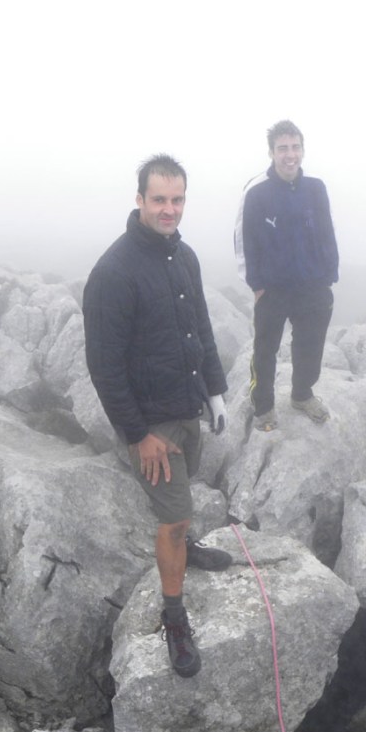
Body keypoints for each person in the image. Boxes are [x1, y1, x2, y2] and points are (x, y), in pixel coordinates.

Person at [83, 154, 230, 678]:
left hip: (186, 404)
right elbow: (104, 367)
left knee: (184, 501)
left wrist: (216, 391)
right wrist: (138, 434)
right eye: (160, 199)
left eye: (177, 199)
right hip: (152, 424)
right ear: (140, 199)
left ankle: (186, 547)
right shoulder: (114, 272)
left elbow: (200, 328)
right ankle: (174, 618)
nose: (170, 209)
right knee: (173, 517)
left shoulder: (183, 256)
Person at [235, 119, 339, 431]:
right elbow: (243, 239)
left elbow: (327, 231)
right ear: (271, 152)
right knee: (265, 349)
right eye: (282, 148)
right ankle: (263, 406)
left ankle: (302, 395)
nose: (290, 155)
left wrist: (329, 275)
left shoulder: (316, 188)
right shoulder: (256, 191)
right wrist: (256, 284)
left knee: (310, 344)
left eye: (295, 147)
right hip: (273, 288)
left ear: (303, 150)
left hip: (313, 284)